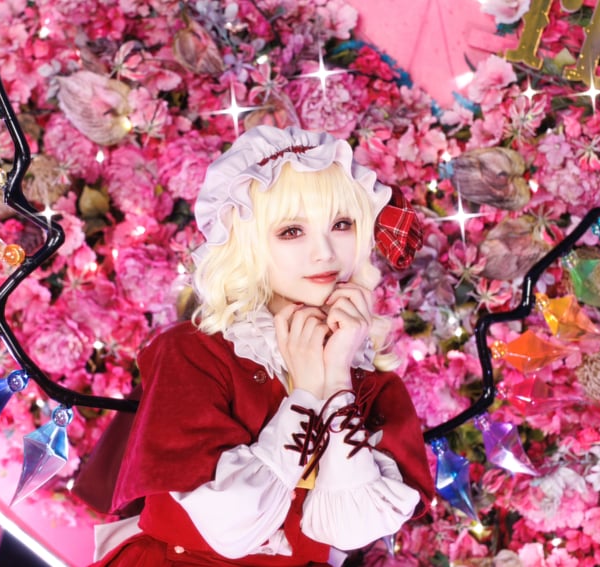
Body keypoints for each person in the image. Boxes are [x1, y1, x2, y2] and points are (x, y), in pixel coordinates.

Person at [90, 125, 434, 566]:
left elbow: (350, 528)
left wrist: (336, 383)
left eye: (341, 224)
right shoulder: (193, 353)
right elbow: (230, 529)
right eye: (291, 231)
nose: (325, 252)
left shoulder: (369, 378)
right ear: (247, 240)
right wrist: (306, 394)